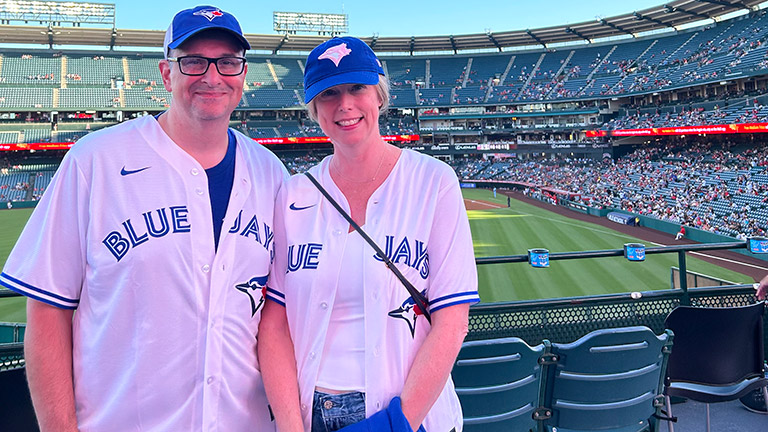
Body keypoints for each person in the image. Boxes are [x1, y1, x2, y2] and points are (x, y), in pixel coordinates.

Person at [0, 6, 286, 430]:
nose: (212, 76)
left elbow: (277, 316)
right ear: (166, 73)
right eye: (193, 61)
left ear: (243, 75)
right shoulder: (95, 160)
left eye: (228, 62)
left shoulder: (271, 172)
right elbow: (46, 309)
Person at [258, 36, 479, 432]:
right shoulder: (293, 194)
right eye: (329, 93)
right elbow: (274, 321)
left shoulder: (433, 182)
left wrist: (396, 424)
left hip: (412, 414)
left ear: (379, 94)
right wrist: (290, 425)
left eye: (357, 87)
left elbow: (452, 320)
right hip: (312, 412)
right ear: (314, 109)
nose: (344, 104)